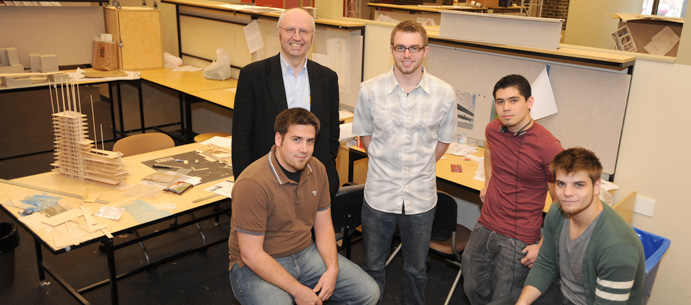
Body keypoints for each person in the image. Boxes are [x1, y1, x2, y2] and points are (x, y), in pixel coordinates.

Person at [228, 108, 379, 305]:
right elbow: (251, 254)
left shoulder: (317, 169)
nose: (304, 149)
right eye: (296, 140)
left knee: (369, 293)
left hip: (305, 253)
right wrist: (298, 291)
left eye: (310, 141)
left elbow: (323, 226)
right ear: (279, 139)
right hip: (258, 262)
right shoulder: (252, 183)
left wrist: (332, 269)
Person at [352, 20, 457, 304]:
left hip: (421, 198)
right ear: (391, 49)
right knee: (373, 266)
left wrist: (418, 166)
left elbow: (444, 141)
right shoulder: (369, 90)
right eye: (401, 47)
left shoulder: (444, 93)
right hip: (379, 194)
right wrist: (389, 164)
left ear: (425, 51)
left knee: (416, 270)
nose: (407, 55)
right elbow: (365, 136)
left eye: (414, 48)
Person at [462, 74, 563, 304]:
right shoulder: (493, 130)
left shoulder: (548, 146)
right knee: (471, 286)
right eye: (500, 102)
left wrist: (543, 245)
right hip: (486, 223)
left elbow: (561, 202)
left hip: (519, 237)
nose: (506, 108)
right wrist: (487, 182)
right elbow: (488, 150)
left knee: (505, 298)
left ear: (529, 102)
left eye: (513, 100)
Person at [506, 147, 646, 305]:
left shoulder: (617, 246)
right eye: (561, 184)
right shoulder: (557, 212)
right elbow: (546, 265)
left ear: (597, 186)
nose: (567, 193)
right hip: (563, 293)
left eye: (578, 185)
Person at [232, 8, 340, 199]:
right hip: (268, 179)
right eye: (290, 30)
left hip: (313, 179)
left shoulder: (328, 78)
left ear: (312, 37)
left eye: (304, 31)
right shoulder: (253, 76)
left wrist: (326, 166)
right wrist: (244, 184)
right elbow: (241, 137)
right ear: (279, 32)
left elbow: (331, 134)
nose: (296, 37)